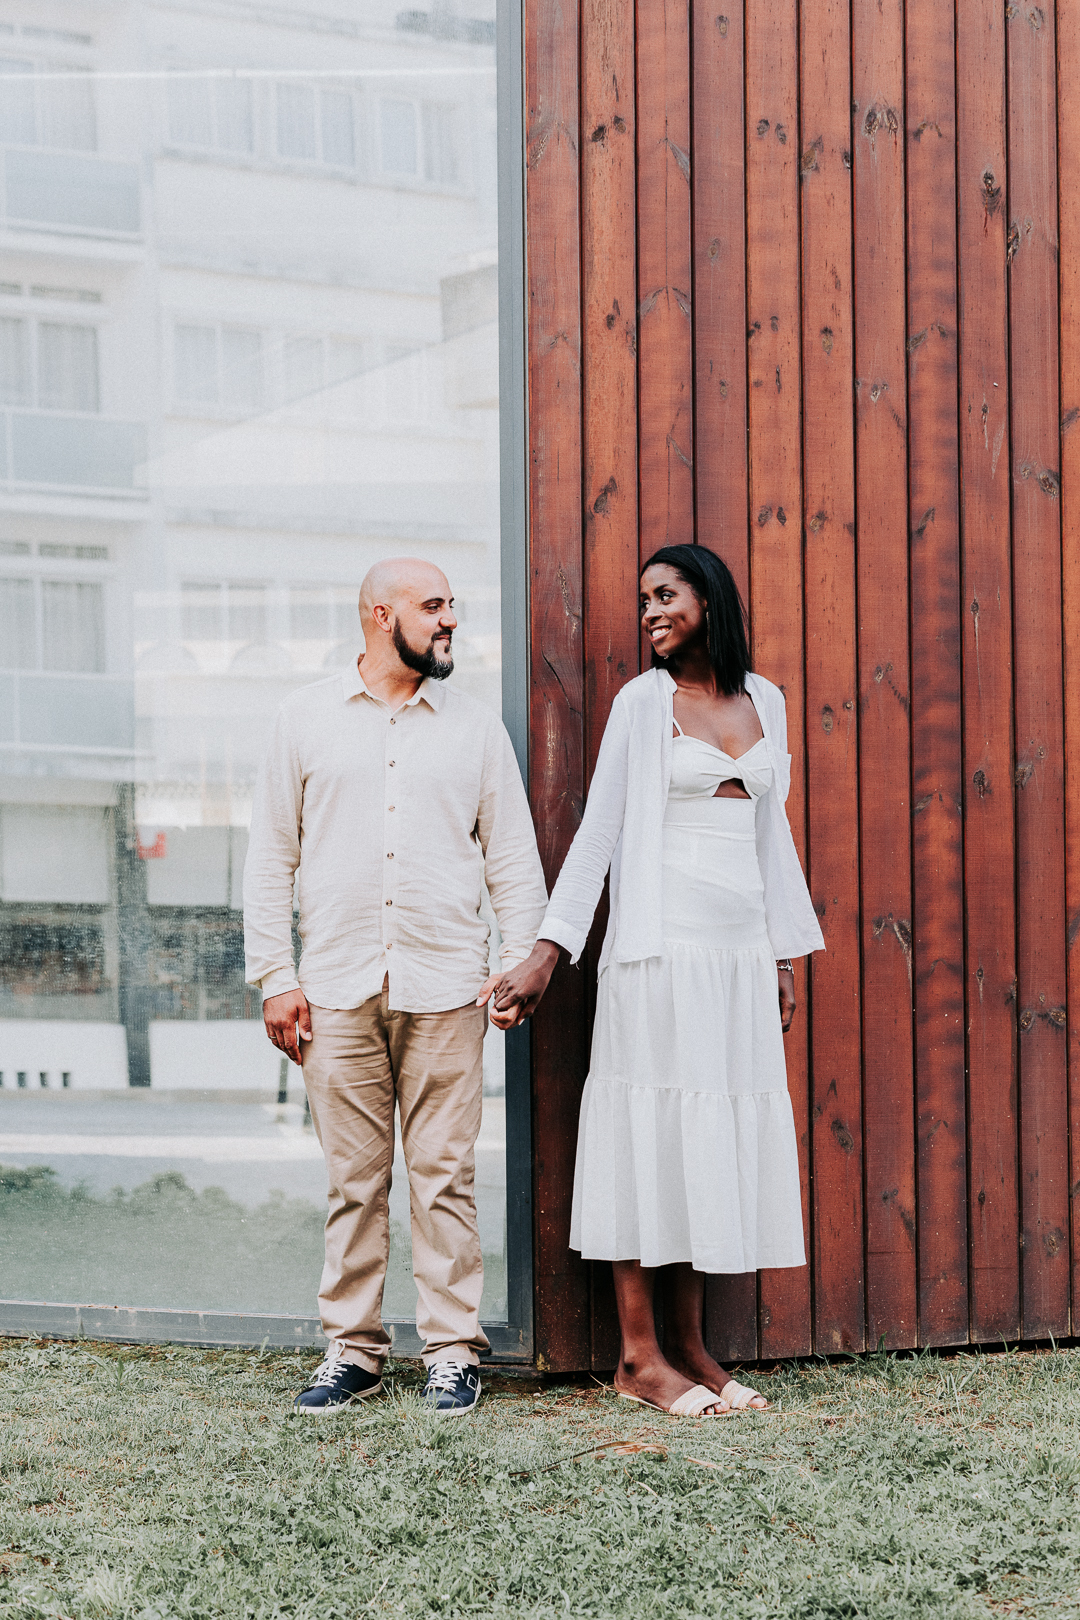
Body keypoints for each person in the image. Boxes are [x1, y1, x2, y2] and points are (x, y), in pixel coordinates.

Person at [487, 545, 824, 1417]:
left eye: (664, 595)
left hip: (736, 956)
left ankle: (695, 1353)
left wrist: (780, 954)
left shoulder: (767, 702)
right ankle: (639, 1358)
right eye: (643, 600)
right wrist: (545, 953)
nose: (649, 612)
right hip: (657, 953)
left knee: (705, 1139)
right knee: (648, 1135)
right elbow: (599, 834)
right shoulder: (644, 704)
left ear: (709, 599)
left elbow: (769, 836)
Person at [243, 558, 547, 1416]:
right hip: (334, 985)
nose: (451, 620)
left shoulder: (476, 730)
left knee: (444, 1175)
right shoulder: (301, 719)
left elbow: (512, 859)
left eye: (452, 606)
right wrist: (276, 975)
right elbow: (271, 856)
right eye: (435, 606)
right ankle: (353, 1351)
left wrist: (520, 957)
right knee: (354, 1180)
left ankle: (452, 1351)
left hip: (447, 984)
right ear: (382, 615)